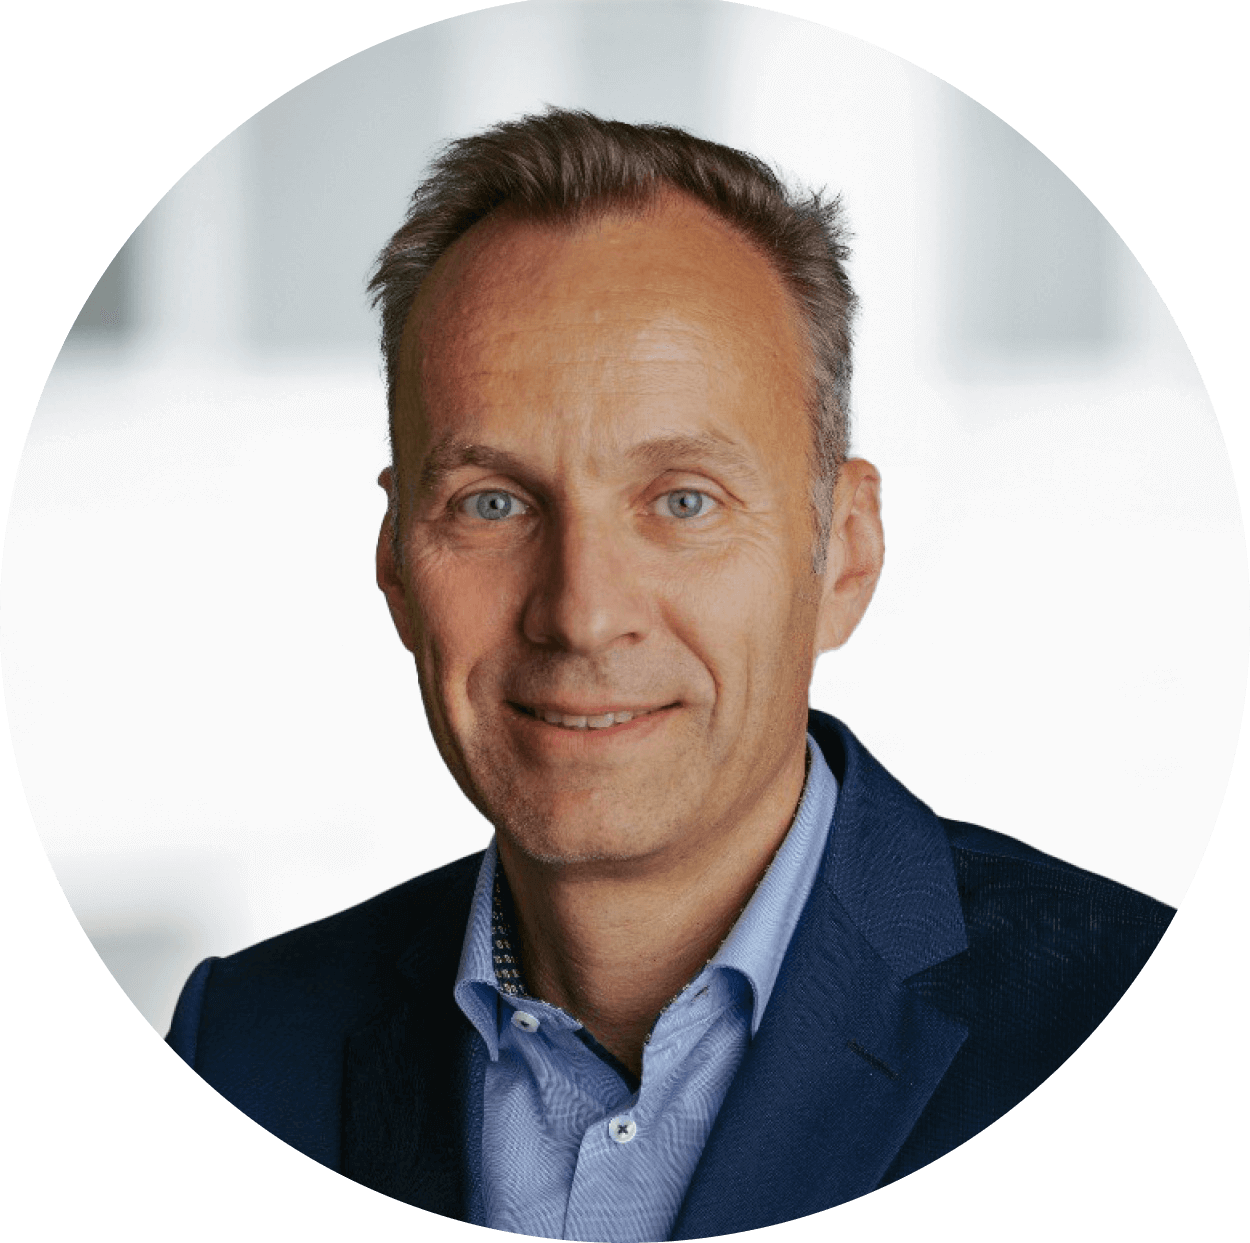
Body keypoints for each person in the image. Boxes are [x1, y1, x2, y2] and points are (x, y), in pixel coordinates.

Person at [166, 109, 1174, 1237]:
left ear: (844, 552)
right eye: (492, 503)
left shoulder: (1101, 1004)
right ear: (396, 559)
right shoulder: (243, 1047)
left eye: (683, 500)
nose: (582, 613)